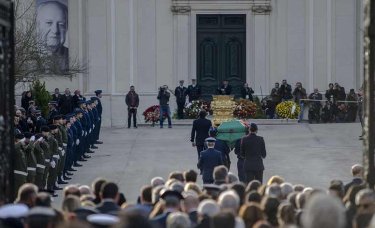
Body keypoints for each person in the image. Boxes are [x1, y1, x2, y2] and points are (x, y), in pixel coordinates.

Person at [36, 0, 69, 72]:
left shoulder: (72, 57)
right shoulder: (26, 58)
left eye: (61, 24)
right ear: (37, 26)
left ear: (66, 28)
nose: (55, 31)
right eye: (49, 23)